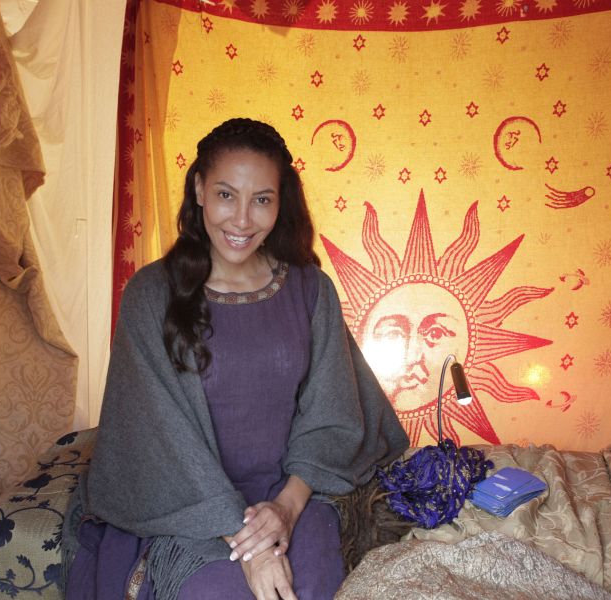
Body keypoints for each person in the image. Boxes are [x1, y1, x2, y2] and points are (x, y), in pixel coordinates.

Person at [66, 118, 409, 600]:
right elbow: (158, 436)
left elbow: (331, 416)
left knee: (306, 588)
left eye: (262, 200)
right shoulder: (151, 293)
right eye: (227, 195)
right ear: (200, 190)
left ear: (280, 203)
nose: (243, 220)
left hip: (290, 493)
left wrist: (286, 509)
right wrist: (250, 546)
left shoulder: (312, 290)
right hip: (184, 501)